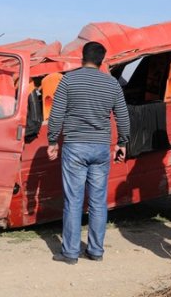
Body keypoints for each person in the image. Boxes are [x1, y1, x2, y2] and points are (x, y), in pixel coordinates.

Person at [47, 41, 130, 264]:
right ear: (102, 60)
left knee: (73, 201)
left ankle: (71, 253)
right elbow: (122, 115)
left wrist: (53, 140)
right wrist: (122, 142)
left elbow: (56, 115)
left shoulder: (69, 80)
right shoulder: (112, 84)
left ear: (82, 57)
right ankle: (95, 251)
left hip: (75, 146)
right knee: (98, 202)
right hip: (101, 148)